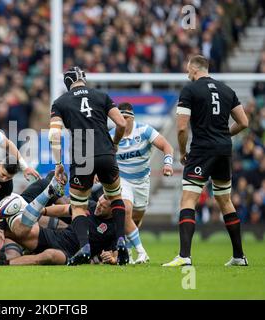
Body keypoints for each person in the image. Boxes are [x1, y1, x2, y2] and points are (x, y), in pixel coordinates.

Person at [163, 55, 249, 267]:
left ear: (193, 69)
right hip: (224, 151)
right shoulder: (227, 90)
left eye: (187, 69)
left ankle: (184, 256)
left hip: (202, 150)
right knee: (225, 201)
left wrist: (182, 152)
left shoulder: (190, 90)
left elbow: (182, 128)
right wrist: (224, 136)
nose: (187, 73)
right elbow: (244, 122)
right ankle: (239, 256)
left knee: (188, 200)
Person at [49, 66, 128, 265]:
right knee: (116, 197)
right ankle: (121, 241)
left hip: (82, 158)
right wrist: (115, 143)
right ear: (83, 79)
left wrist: (59, 163)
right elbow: (122, 123)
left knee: (78, 206)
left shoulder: (60, 102)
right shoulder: (101, 95)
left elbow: (54, 134)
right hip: (105, 153)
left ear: (67, 84)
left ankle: (84, 247)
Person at [0, 194, 123, 266]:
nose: (98, 206)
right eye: (100, 201)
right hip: (57, 237)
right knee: (21, 231)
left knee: (49, 256)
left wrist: (112, 259)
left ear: (112, 210)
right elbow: (63, 209)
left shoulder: (114, 228)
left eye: (103, 207)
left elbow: (117, 255)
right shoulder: (89, 205)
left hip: (69, 253)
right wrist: (41, 211)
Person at [111, 102, 174, 264]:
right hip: (122, 179)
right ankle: (140, 252)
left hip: (142, 182)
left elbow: (167, 146)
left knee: (136, 219)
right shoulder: (112, 135)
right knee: (126, 211)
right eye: (120, 118)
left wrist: (167, 163)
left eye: (126, 118)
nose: (123, 122)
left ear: (132, 118)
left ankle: (129, 252)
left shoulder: (145, 131)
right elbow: (104, 157)